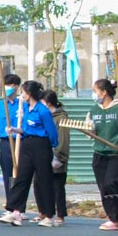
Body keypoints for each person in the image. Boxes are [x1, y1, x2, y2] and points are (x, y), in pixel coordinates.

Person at [0, 80, 58, 227]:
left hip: (41, 146)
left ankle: (49, 215)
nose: (21, 94)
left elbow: (52, 132)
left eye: (23, 92)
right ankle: (15, 210)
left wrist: (54, 150)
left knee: (44, 180)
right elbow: (25, 128)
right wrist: (13, 129)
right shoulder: (26, 109)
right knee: (22, 177)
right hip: (27, 144)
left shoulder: (42, 110)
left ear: (29, 93)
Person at [88, 78, 118, 231]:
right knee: (103, 187)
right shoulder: (94, 110)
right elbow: (90, 131)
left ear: (104, 92)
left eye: (95, 91)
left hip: (117, 153)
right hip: (99, 152)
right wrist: (90, 130)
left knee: (111, 183)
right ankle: (112, 218)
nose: (94, 95)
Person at [0, 73, 24, 192]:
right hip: (5, 142)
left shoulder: (23, 104)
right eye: (6, 85)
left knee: (20, 173)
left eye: (11, 85)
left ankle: (19, 205)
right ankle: (10, 202)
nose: (8, 88)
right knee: (7, 171)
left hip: (20, 141)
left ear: (16, 87)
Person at [44, 90, 71, 226]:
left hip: (57, 157)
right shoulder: (46, 116)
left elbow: (63, 139)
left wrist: (60, 157)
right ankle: (46, 212)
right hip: (45, 155)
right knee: (44, 186)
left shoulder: (61, 118)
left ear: (48, 103)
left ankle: (60, 215)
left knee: (58, 187)